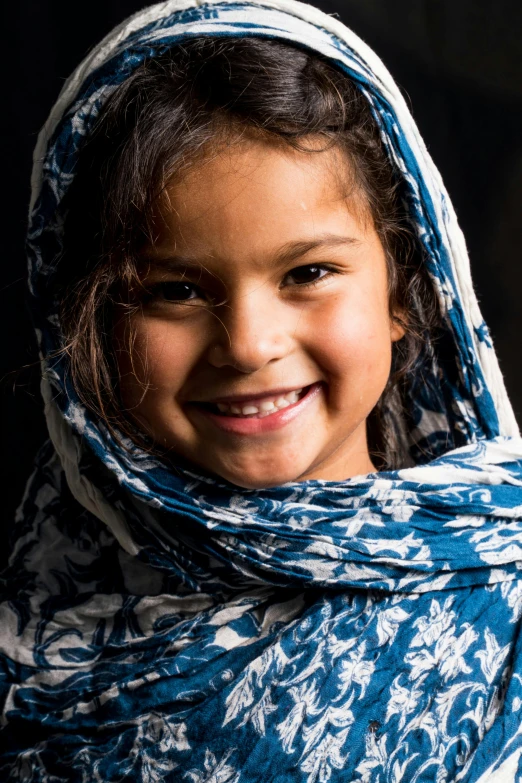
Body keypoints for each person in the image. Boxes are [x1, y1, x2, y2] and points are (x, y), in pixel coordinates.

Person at [1, 1, 522, 780]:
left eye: (307, 274)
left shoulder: (500, 592)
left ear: (408, 291)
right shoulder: (42, 617)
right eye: (176, 289)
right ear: (85, 327)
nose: (247, 344)